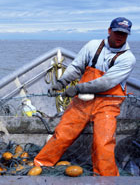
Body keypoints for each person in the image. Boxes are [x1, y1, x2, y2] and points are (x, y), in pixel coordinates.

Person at [34, 17, 135, 176]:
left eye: (124, 34)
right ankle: (41, 164)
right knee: (63, 133)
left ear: (128, 35)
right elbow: (76, 66)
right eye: (117, 32)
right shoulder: (93, 45)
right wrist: (61, 82)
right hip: (82, 102)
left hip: (107, 104)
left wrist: (77, 88)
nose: (119, 36)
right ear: (109, 30)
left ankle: (106, 178)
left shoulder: (128, 59)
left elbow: (106, 82)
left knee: (103, 143)